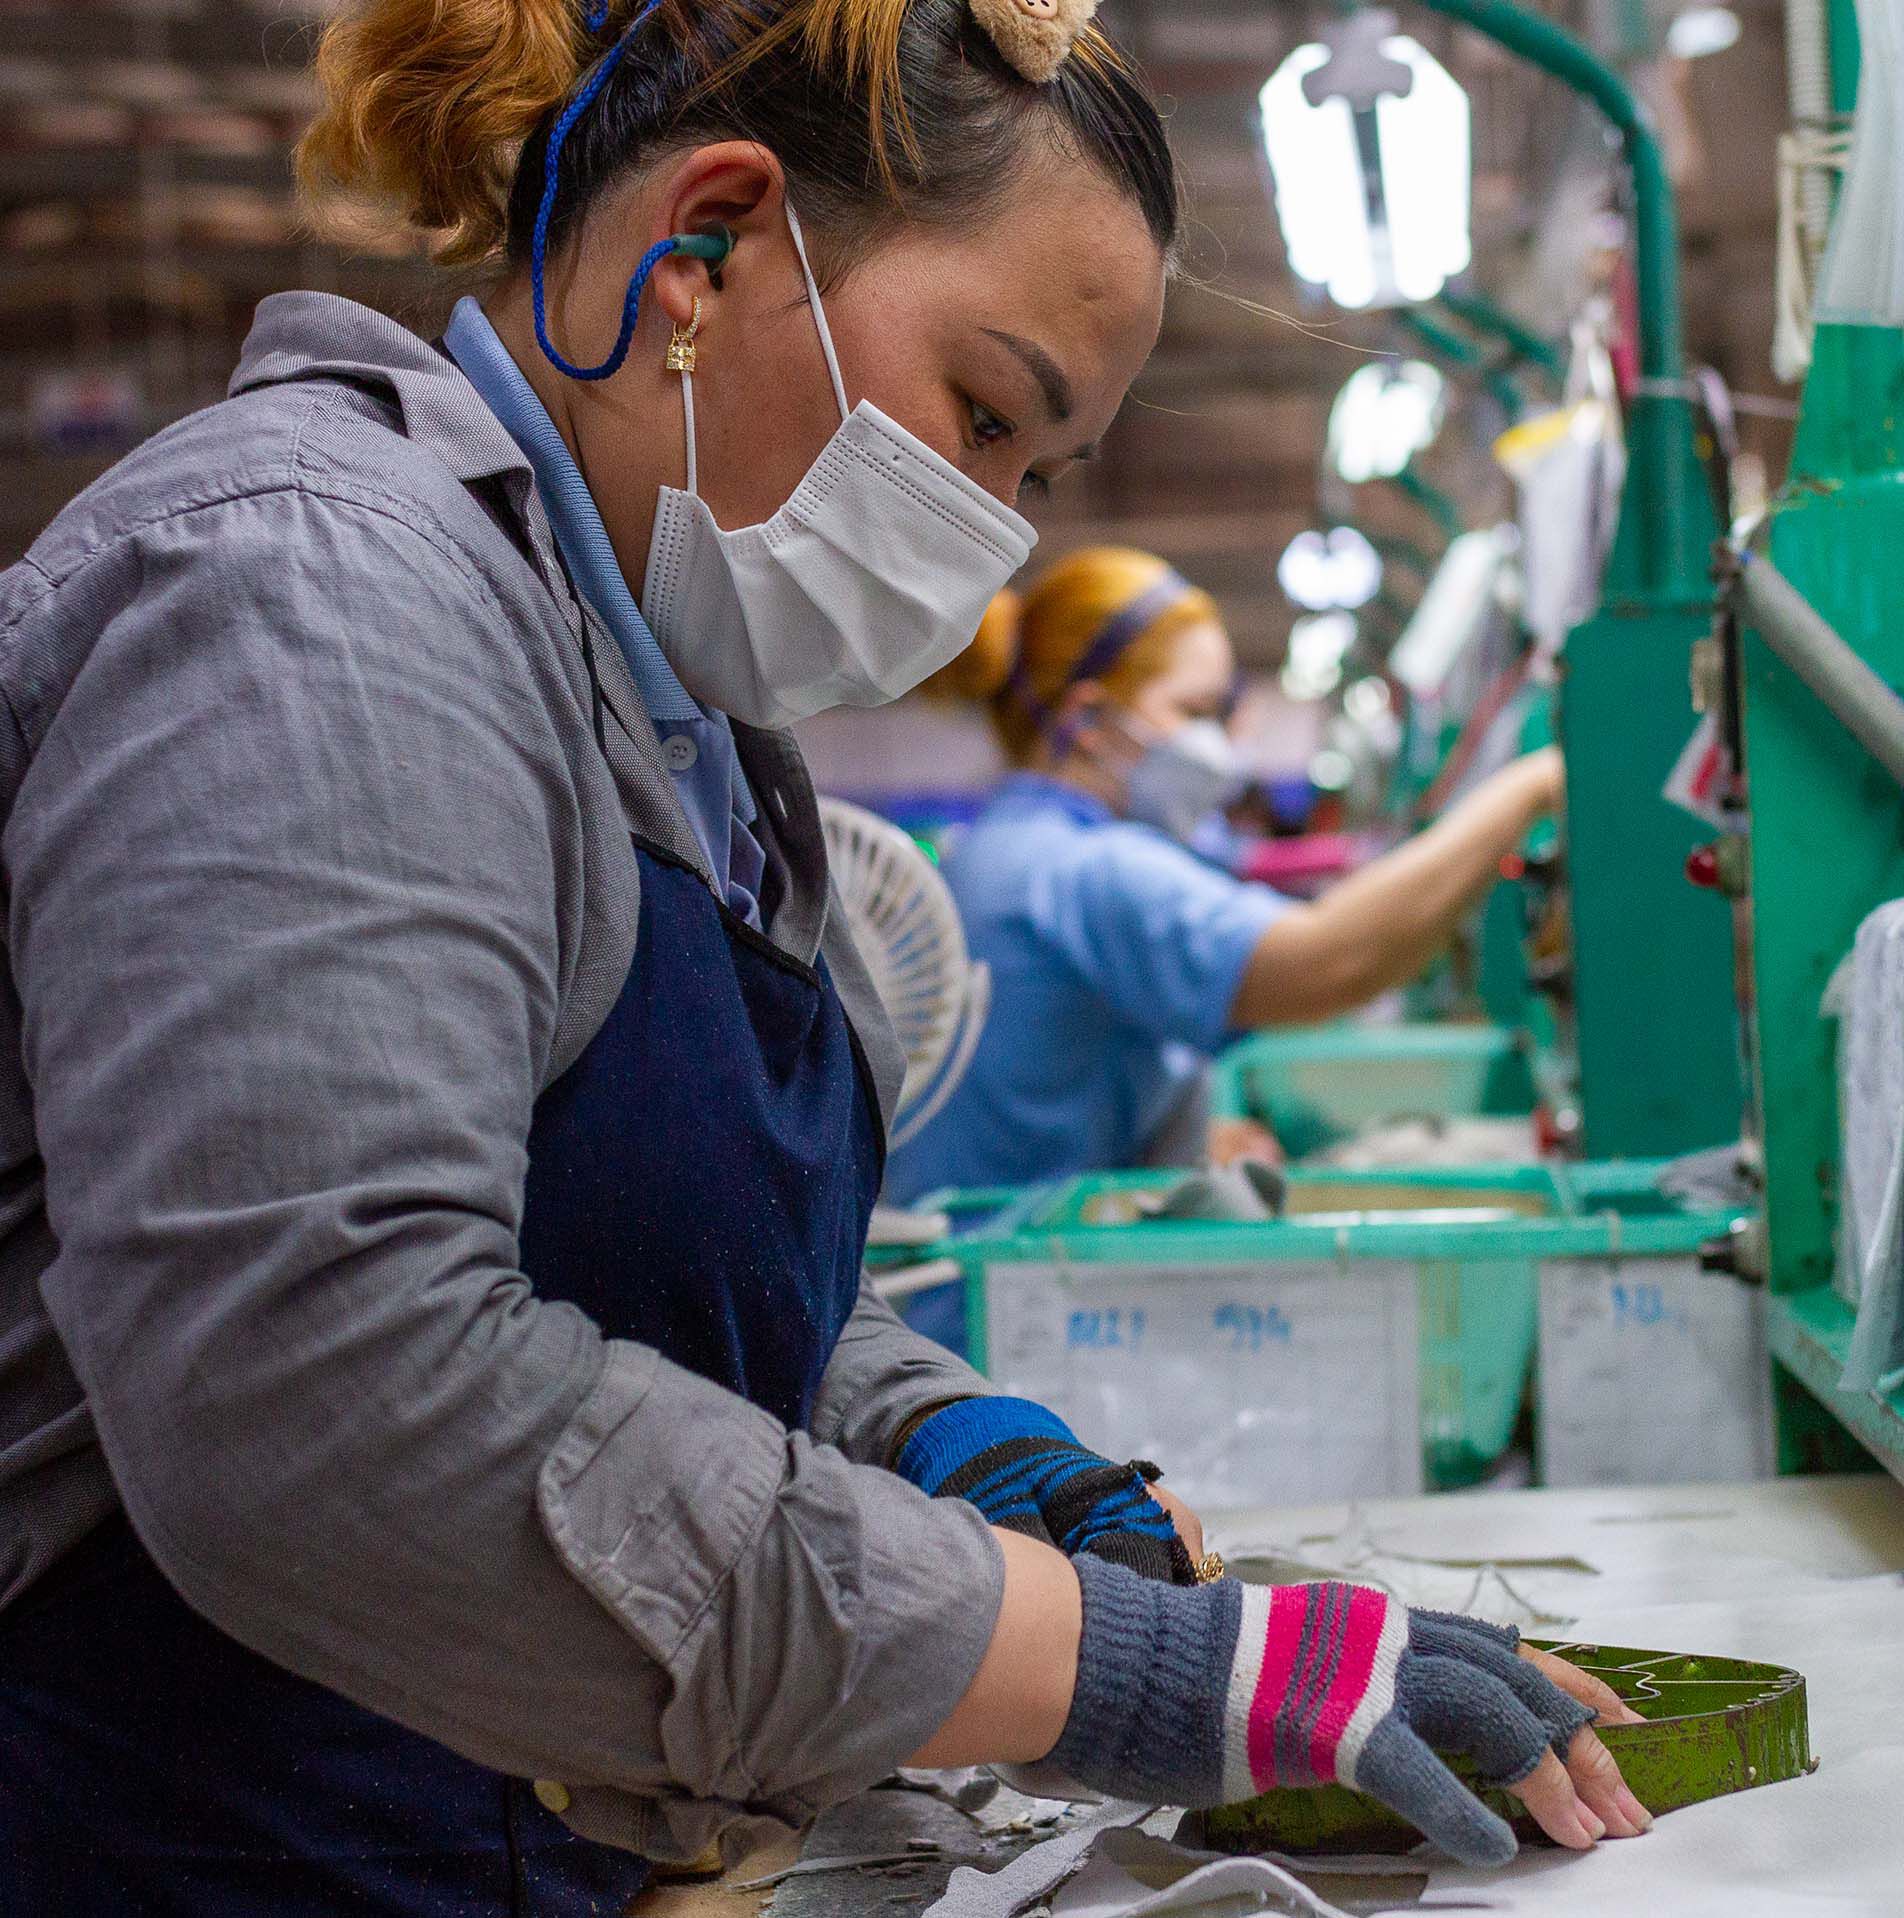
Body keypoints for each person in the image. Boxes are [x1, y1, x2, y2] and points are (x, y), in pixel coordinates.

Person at [0, 3, 1647, 1910]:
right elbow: (325, 1392)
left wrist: (962, 1450)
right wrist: (1113, 1664)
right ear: (700, 248)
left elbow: (657, 1286)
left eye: (1037, 474)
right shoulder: (310, 597)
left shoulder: (693, 741)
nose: (994, 534)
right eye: (983, 412)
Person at [888, 547, 1567, 1201]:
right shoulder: (1085, 871)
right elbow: (1329, 962)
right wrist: (1527, 788)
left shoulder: (1000, 851)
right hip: (995, 1303)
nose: (1219, 746)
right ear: (1089, 719)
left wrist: (1186, 1134)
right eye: (1192, 711)